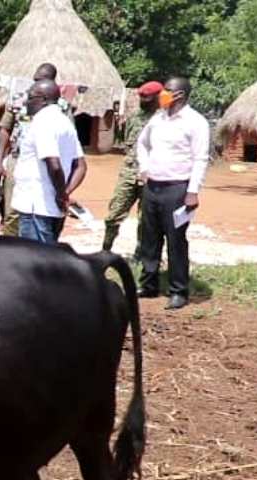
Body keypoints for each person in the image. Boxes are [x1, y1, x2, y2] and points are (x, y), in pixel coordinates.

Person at [136, 76, 209, 310]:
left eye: (167, 91)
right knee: (149, 238)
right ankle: (148, 284)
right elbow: (142, 143)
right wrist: (144, 168)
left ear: (180, 95)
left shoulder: (195, 122)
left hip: (178, 189)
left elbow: (200, 158)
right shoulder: (157, 119)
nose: (161, 94)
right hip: (152, 187)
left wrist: (193, 191)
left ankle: (178, 290)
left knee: (176, 240)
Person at [11, 79, 86, 245]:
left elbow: (54, 164)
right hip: (51, 208)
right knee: (48, 259)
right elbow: (81, 166)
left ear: (43, 100)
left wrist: (60, 195)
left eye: (30, 98)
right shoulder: (65, 122)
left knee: (34, 261)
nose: (26, 102)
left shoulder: (43, 122)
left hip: (37, 207)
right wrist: (65, 194)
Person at [0, 63, 58, 235]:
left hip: (47, 162)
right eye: (35, 79)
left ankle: (34, 250)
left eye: (42, 80)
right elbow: (5, 130)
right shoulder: (18, 98)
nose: (36, 83)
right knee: (12, 210)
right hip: (17, 160)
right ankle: (10, 251)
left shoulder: (61, 106)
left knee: (40, 211)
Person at [103, 81, 163, 251]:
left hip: (152, 175)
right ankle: (105, 249)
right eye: (142, 98)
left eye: (148, 98)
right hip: (128, 173)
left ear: (158, 98)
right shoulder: (133, 118)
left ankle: (141, 253)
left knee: (146, 219)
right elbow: (127, 145)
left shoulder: (163, 120)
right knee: (114, 213)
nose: (143, 101)